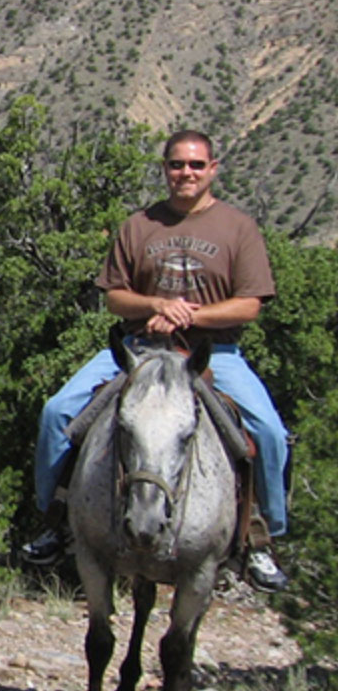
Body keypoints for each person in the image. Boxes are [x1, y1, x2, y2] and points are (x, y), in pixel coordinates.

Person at [21, 130, 288, 591]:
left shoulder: (237, 228)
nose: (186, 173)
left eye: (196, 165)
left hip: (214, 353)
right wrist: (157, 307)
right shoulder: (139, 226)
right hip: (140, 351)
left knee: (268, 431)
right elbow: (116, 299)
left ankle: (262, 539)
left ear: (213, 169)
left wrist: (192, 314)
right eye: (177, 165)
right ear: (164, 169)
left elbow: (249, 305)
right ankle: (54, 518)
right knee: (58, 411)